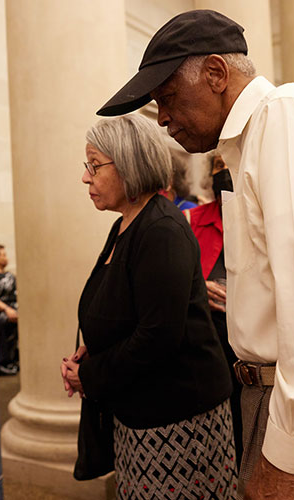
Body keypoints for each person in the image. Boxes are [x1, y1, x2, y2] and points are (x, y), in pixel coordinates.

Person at [96, 9, 294, 500]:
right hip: (287, 403)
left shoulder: (287, 116)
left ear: (217, 74)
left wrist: (282, 462)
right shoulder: (257, 137)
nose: (162, 118)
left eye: (169, 98)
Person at [60, 114, 237, 499]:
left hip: (178, 421)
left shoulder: (162, 230)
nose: (85, 177)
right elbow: (126, 304)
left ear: (130, 164)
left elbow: (158, 337)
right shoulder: (126, 223)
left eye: (94, 165)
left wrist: (88, 376)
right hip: (141, 410)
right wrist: (96, 346)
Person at [183, 153, 243, 467]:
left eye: (230, 164)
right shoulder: (192, 220)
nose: (225, 172)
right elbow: (174, 279)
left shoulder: (258, 219)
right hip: (208, 340)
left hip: (251, 346)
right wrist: (196, 288)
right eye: (218, 166)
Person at [0, 244, 19, 375]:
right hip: (0, 310)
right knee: (1, 322)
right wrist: (7, 309)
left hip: (15, 307)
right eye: (3, 255)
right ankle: (3, 362)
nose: (6, 258)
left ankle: (17, 358)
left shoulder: (10, 275)